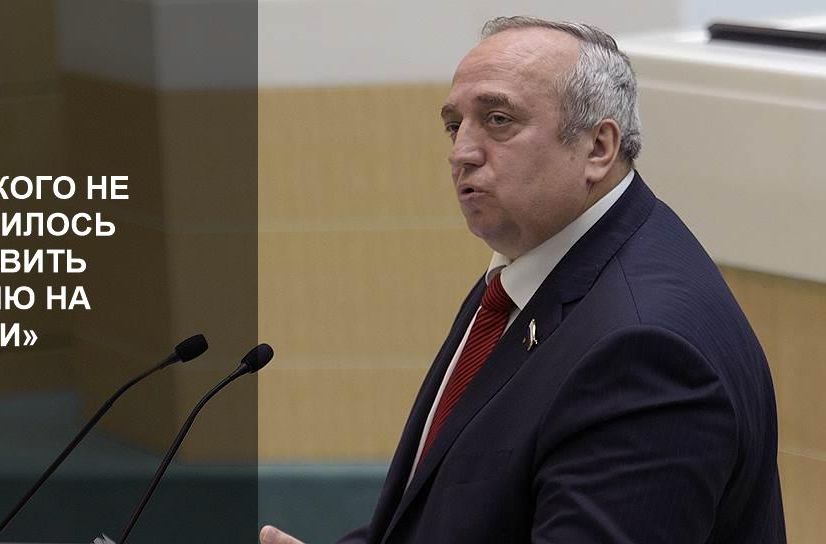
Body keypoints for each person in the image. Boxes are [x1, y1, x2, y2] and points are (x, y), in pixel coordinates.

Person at [260, 15, 786, 544]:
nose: (461, 152)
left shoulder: (644, 350)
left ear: (598, 147)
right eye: (454, 126)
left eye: (498, 120)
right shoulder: (532, 266)